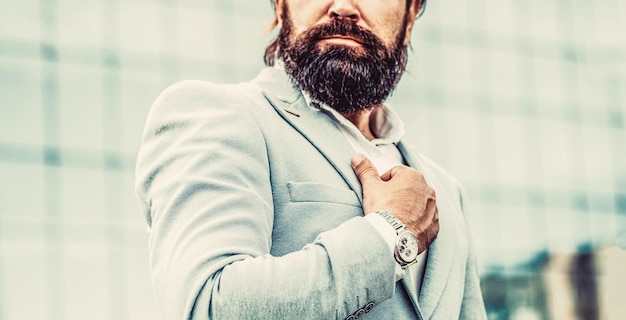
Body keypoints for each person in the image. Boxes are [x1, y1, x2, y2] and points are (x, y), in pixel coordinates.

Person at [135, 0, 487, 319]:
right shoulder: (215, 114)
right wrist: (388, 235)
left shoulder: (446, 191)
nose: (345, 8)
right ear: (280, 6)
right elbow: (206, 306)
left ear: (410, 16)